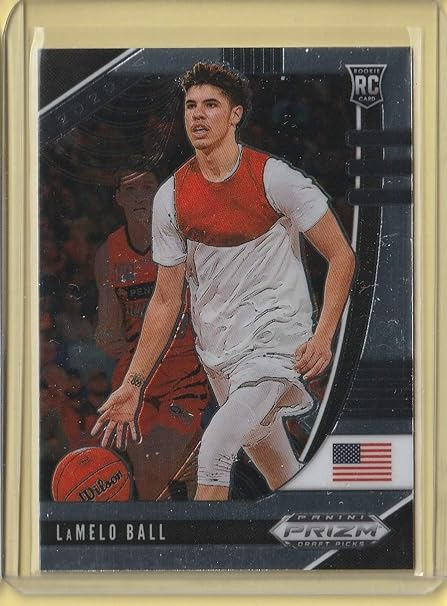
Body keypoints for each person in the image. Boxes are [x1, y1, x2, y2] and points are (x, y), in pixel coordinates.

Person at [92, 62, 356, 501]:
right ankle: (319, 530)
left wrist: (324, 335)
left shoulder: (275, 178)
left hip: (275, 344)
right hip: (219, 354)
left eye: (211, 105)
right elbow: (165, 301)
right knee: (284, 477)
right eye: (190, 105)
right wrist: (133, 386)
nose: (198, 114)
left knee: (215, 448)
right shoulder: (171, 197)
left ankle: (196, 548)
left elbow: (341, 255)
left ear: (235, 115)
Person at [94, 164, 209, 499]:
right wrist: (105, 336)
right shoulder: (109, 252)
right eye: (130, 190)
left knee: (159, 459)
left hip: (185, 373)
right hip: (136, 376)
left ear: (160, 193)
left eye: (147, 187)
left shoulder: (186, 238)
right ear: (118, 198)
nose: (140, 197)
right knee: (150, 477)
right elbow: (107, 327)